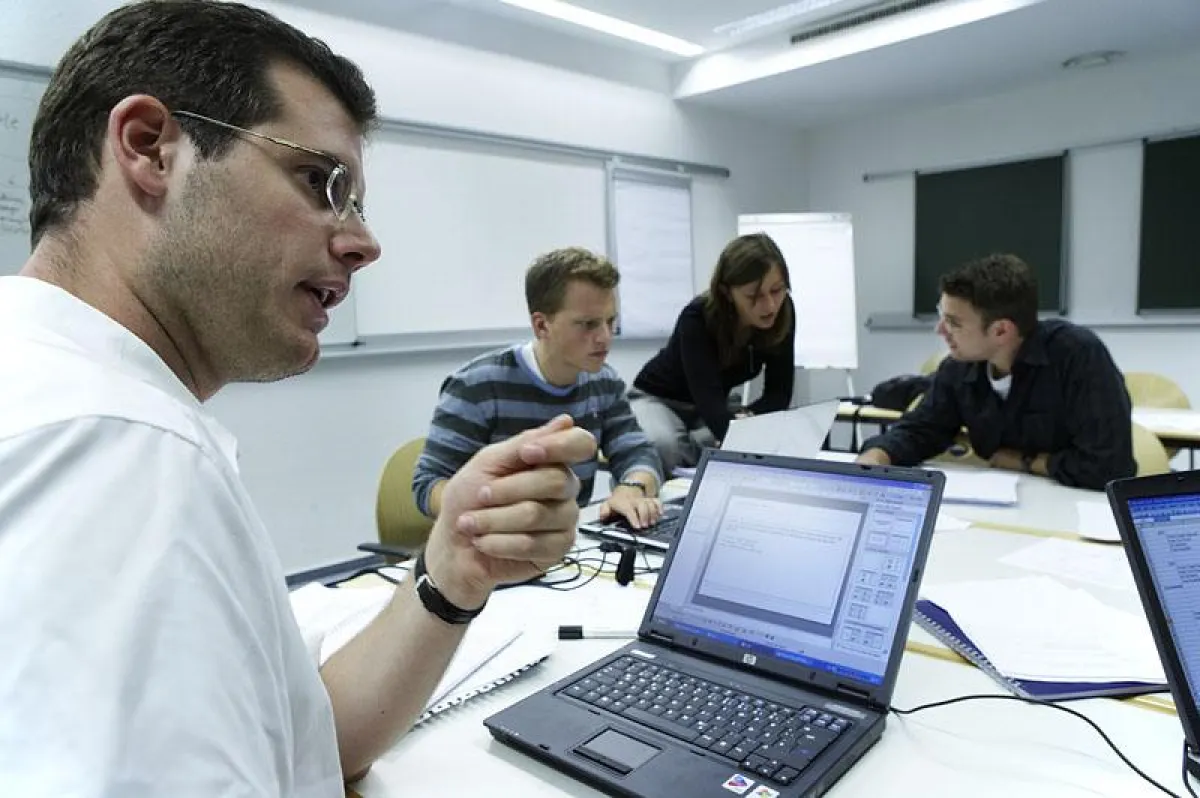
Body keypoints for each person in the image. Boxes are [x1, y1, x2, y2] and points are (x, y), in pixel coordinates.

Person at [0, 1, 592, 793]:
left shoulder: (50, 380)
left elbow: (307, 742)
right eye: (319, 181)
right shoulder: (121, 450)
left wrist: (452, 568)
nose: (362, 241)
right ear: (151, 150)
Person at [413, 247, 664, 529]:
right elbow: (428, 485)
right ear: (542, 325)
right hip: (493, 546)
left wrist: (632, 488)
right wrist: (489, 505)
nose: (605, 337)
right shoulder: (477, 386)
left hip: (568, 545)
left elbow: (639, 454)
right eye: (588, 324)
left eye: (610, 321)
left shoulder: (604, 383)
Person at [857, 253, 1136, 490]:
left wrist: (1024, 462)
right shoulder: (959, 367)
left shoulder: (1077, 355)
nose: (940, 330)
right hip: (1007, 506)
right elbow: (921, 430)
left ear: (1001, 330)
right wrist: (877, 456)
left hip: (1072, 507)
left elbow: (1109, 467)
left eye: (953, 322)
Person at [630, 233, 795, 474]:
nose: (769, 305)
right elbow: (709, 400)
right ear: (727, 292)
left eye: (777, 290)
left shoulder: (784, 313)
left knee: (773, 434)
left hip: (711, 405)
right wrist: (738, 430)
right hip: (658, 398)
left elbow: (779, 394)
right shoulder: (697, 317)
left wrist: (749, 417)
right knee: (666, 447)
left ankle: (696, 454)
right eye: (753, 296)